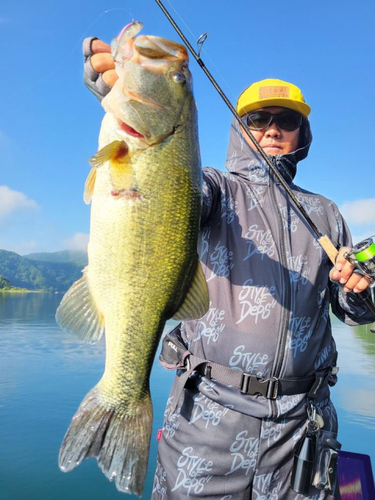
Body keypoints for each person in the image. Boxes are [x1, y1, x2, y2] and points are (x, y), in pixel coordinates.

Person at [83, 36, 374, 500]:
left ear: (303, 134)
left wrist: (360, 289)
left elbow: (352, 310)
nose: (272, 129)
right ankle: (121, 395)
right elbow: (166, 188)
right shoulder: (215, 189)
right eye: (258, 119)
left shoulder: (327, 213)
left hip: (303, 428)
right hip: (208, 421)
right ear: (240, 128)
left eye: (287, 120)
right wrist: (132, 100)